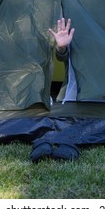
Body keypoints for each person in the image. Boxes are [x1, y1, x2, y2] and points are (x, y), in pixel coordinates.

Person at [30, 18, 79, 163]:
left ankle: (68, 144)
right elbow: (65, 58)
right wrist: (62, 48)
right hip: (70, 98)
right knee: (56, 118)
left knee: (80, 121)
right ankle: (42, 142)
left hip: (97, 100)